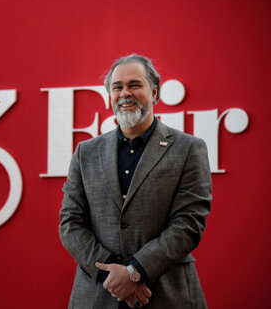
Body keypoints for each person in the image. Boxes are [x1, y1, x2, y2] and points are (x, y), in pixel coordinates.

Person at [60, 54, 211, 309]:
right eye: (117, 87)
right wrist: (112, 276)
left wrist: (135, 271)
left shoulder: (188, 149)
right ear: (110, 96)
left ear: (154, 92)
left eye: (134, 85)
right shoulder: (85, 152)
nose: (125, 93)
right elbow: (70, 223)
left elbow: (188, 223)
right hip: (98, 295)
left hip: (166, 295)